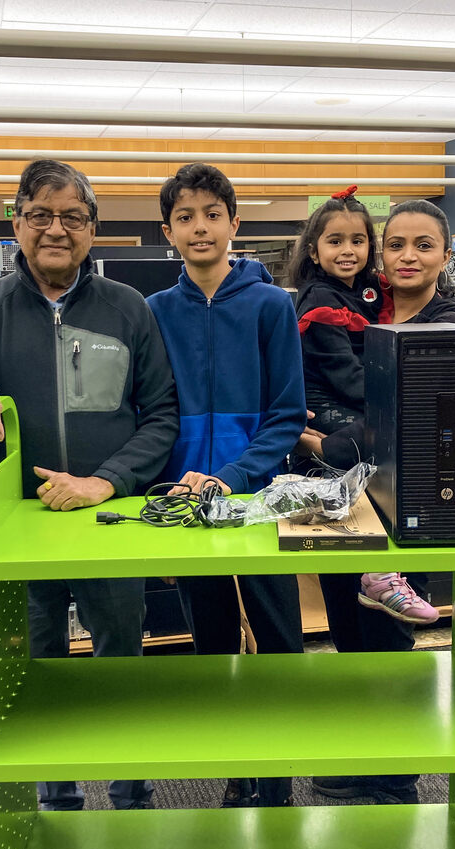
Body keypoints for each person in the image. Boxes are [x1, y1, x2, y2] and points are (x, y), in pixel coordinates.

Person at [0, 159, 179, 811]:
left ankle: (131, 791)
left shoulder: (129, 309)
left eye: (72, 216)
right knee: (32, 664)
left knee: (120, 654)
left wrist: (105, 481)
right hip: (15, 526)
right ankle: (56, 796)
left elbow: (161, 416)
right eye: (39, 214)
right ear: (16, 222)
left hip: (107, 523)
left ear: (92, 229)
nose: (55, 229)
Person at [294, 196, 455, 805]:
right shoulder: (365, 310)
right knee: (348, 632)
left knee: (390, 646)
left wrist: (326, 436)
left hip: (409, 510)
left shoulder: (451, 323)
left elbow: (423, 421)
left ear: (446, 254)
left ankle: (396, 781)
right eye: (395, 244)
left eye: (423, 245)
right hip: (346, 503)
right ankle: (363, 758)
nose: (406, 256)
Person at [148, 162, 307, 809]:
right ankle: (237, 770)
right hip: (189, 504)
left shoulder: (272, 306)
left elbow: (286, 415)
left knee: (278, 639)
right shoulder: (155, 312)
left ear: (234, 223)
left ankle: (278, 779)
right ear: (168, 230)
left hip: (257, 500)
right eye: (185, 216)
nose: (200, 227)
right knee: (210, 640)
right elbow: (153, 410)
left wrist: (233, 476)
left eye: (212, 213)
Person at [291, 185, 439, 627]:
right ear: (314, 252)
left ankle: (381, 574)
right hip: (327, 400)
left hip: (354, 399)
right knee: (374, 442)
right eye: (335, 241)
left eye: (358, 241)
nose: (348, 250)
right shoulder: (321, 300)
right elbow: (347, 377)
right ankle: (378, 574)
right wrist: (395, 401)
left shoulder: (370, 292)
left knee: (380, 452)